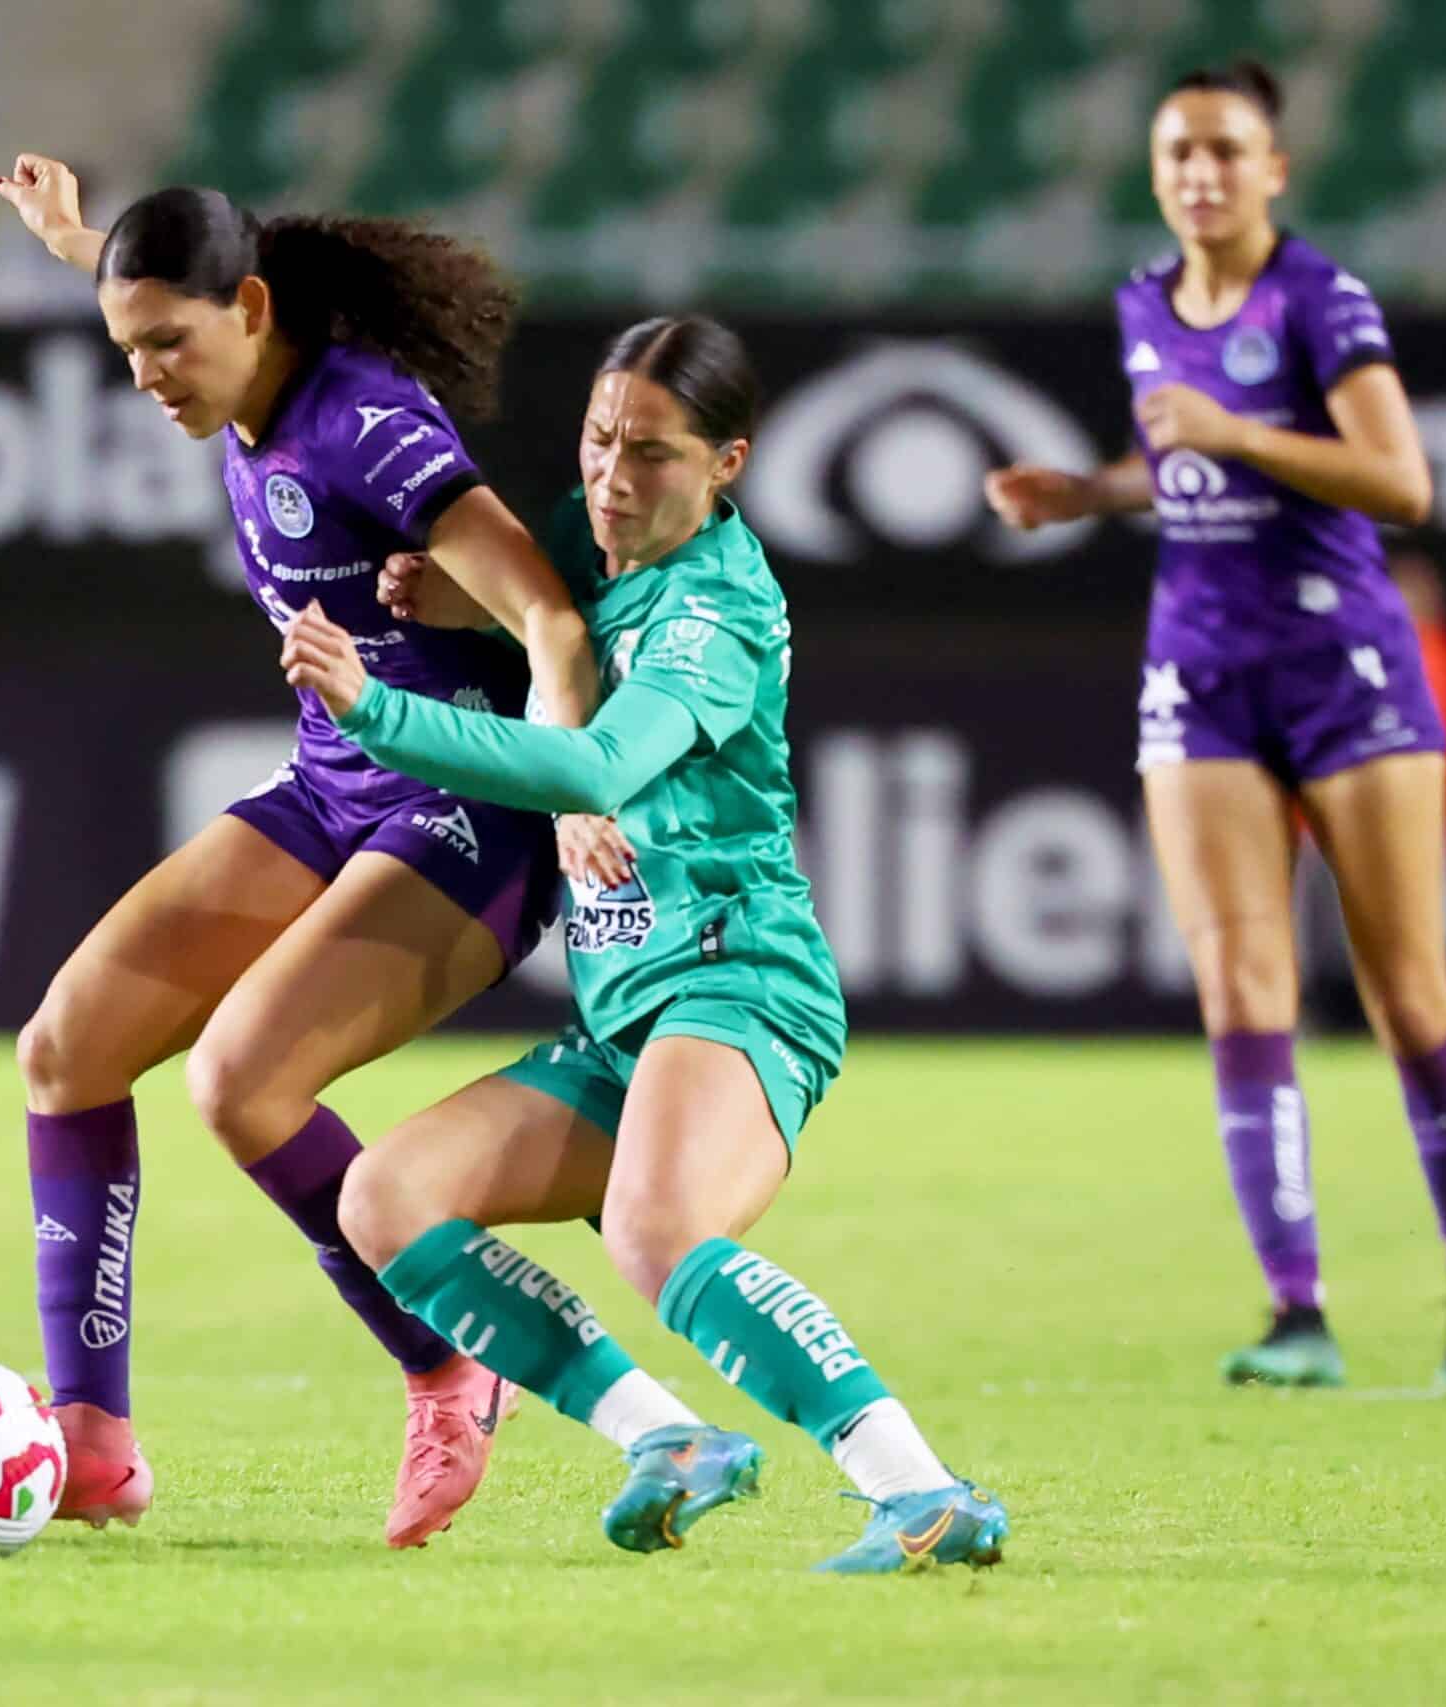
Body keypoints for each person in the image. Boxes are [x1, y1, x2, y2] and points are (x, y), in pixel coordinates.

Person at [283, 315, 1010, 1573]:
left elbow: (600, 761)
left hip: (738, 981)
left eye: (655, 456)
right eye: (599, 441)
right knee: (382, 1198)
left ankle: (924, 1492)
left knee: (658, 1234)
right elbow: (530, 598)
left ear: (727, 463)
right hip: (626, 1015)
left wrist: (375, 709)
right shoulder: (593, 533)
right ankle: (670, 1440)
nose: (615, 481)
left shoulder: (714, 615)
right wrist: (452, 595)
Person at [0, 157, 598, 1546]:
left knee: (245, 1079)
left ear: (252, 307)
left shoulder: (365, 425)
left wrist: (573, 785)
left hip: (469, 804)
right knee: (66, 1046)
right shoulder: (234, 361)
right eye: (125, 345)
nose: (147, 374)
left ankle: (451, 1364)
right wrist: (68, 235)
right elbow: (133, 283)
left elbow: (553, 620)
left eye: (167, 342)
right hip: (337, 782)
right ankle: (91, 1440)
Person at [984, 60, 1446, 1388]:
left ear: (1274, 169)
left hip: (1344, 661)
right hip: (1200, 663)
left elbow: (1402, 479)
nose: (1201, 173)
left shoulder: (1320, 299)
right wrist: (1089, 495)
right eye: (1179, 153)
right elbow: (1180, 465)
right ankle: (1298, 1313)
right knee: (1238, 987)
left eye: (1226, 151)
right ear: (1156, 173)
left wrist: (1235, 428)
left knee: (1405, 991)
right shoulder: (1143, 304)